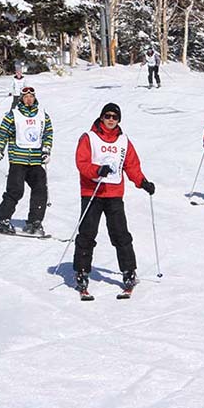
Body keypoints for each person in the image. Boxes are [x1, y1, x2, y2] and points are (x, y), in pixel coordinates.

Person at [72, 103, 155, 298]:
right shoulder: (89, 138)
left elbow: (131, 165)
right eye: (107, 116)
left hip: (114, 194)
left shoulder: (123, 141)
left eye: (115, 117)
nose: (111, 120)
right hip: (92, 192)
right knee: (87, 233)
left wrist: (142, 182)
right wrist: (97, 170)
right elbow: (81, 162)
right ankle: (82, 272)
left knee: (120, 234)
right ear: (101, 117)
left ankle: (129, 272)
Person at [0, 86, 53, 235]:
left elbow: (48, 133)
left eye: (31, 96)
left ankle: (35, 221)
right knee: (15, 190)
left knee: (40, 190)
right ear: (21, 99)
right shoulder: (13, 115)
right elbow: (3, 132)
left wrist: (47, 149)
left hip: (36, 160)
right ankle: (3, 219)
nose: (29, 99)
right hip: (18, 159)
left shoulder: (43, 115)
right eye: (26, 97)